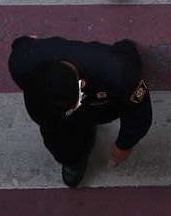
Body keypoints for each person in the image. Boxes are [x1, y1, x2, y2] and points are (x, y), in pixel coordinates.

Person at [8, 35, 152, 187]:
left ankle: (127, 48)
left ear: (82, 84)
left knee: (128, 60)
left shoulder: (119, 73)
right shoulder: (21, 61)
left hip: (107, 95)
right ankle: (72, 158)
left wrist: (125, 144)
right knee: (56, 138)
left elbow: (139, 109)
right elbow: (21, 43)